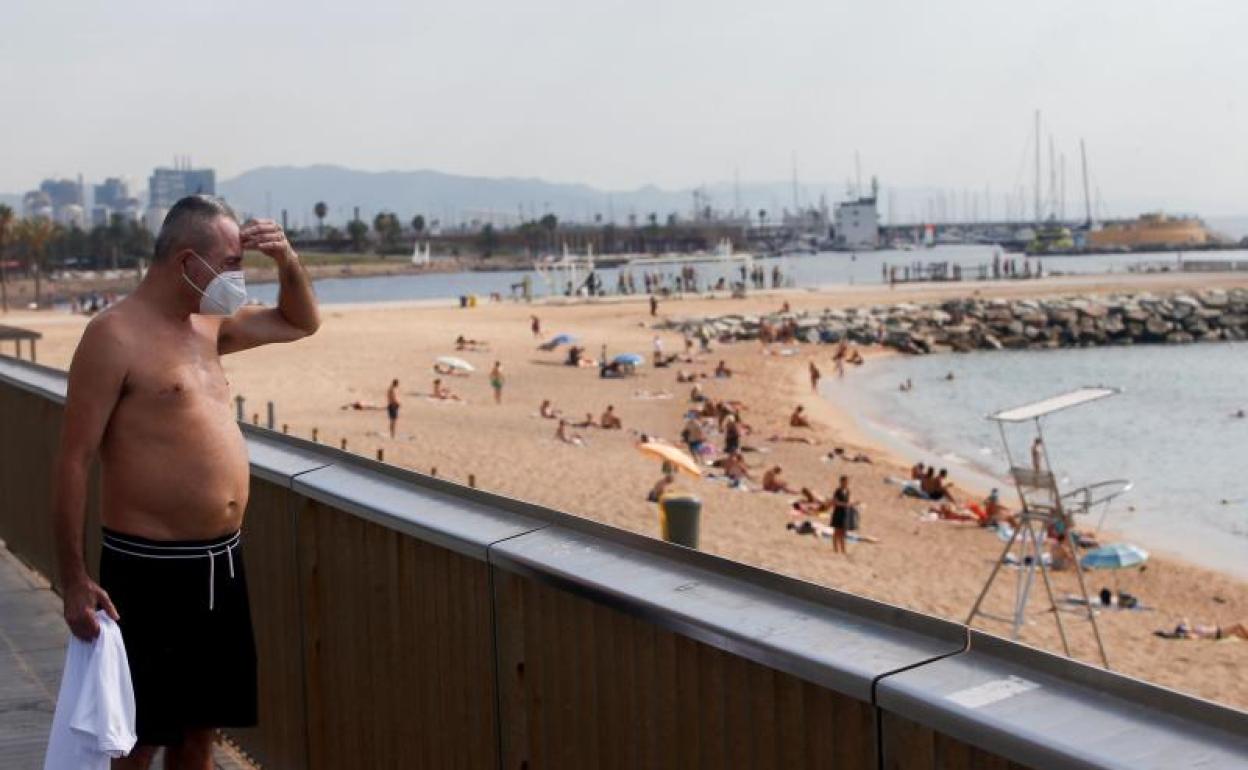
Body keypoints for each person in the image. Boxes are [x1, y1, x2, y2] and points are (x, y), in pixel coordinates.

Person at [52, 196, 320, 767]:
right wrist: (74, 578)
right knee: (137, 737)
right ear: (186, 261)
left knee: (201, 735)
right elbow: (74, 459)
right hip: (147, 570)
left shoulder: (209, 325)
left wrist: (288, 259)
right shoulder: (113, 335)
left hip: (220, 564)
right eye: (228, 263)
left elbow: (300, 321)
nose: (235, 277)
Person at [830, 476, 855, 554]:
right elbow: (835, 502)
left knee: (843, 532)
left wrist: (852, 504)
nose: (846, 483)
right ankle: (835, 549)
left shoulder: (847, 491)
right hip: (838, 512)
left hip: (844, 513)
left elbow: (848, 501)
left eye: (847, 482)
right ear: (841, 482)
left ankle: (843, 549)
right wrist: (845, 504)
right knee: (837, 531)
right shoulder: (837, 491)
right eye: (845, 481)